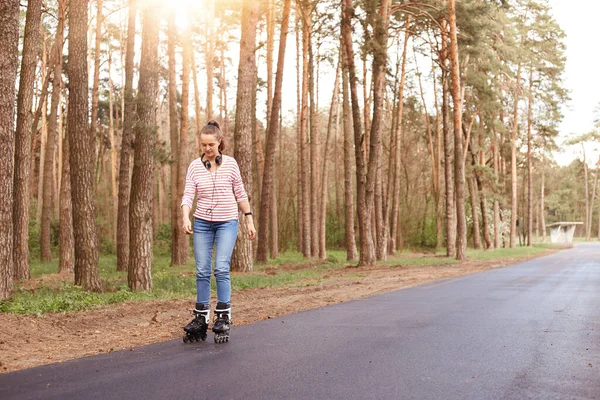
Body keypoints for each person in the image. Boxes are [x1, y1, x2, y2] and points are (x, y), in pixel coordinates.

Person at [180, 120, 256, 343]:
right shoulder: (195, 166)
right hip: (202, 222)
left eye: (211, 145)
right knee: (202, 271)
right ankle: (201, 317)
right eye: (203, 145)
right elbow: (187, 195)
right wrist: (185, 216)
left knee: (221, 268)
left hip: (227, 223)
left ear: (220, 142)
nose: (207, 149)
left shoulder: (231, 165)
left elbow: (240, 194)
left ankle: (223, 316)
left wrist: (249, 220)